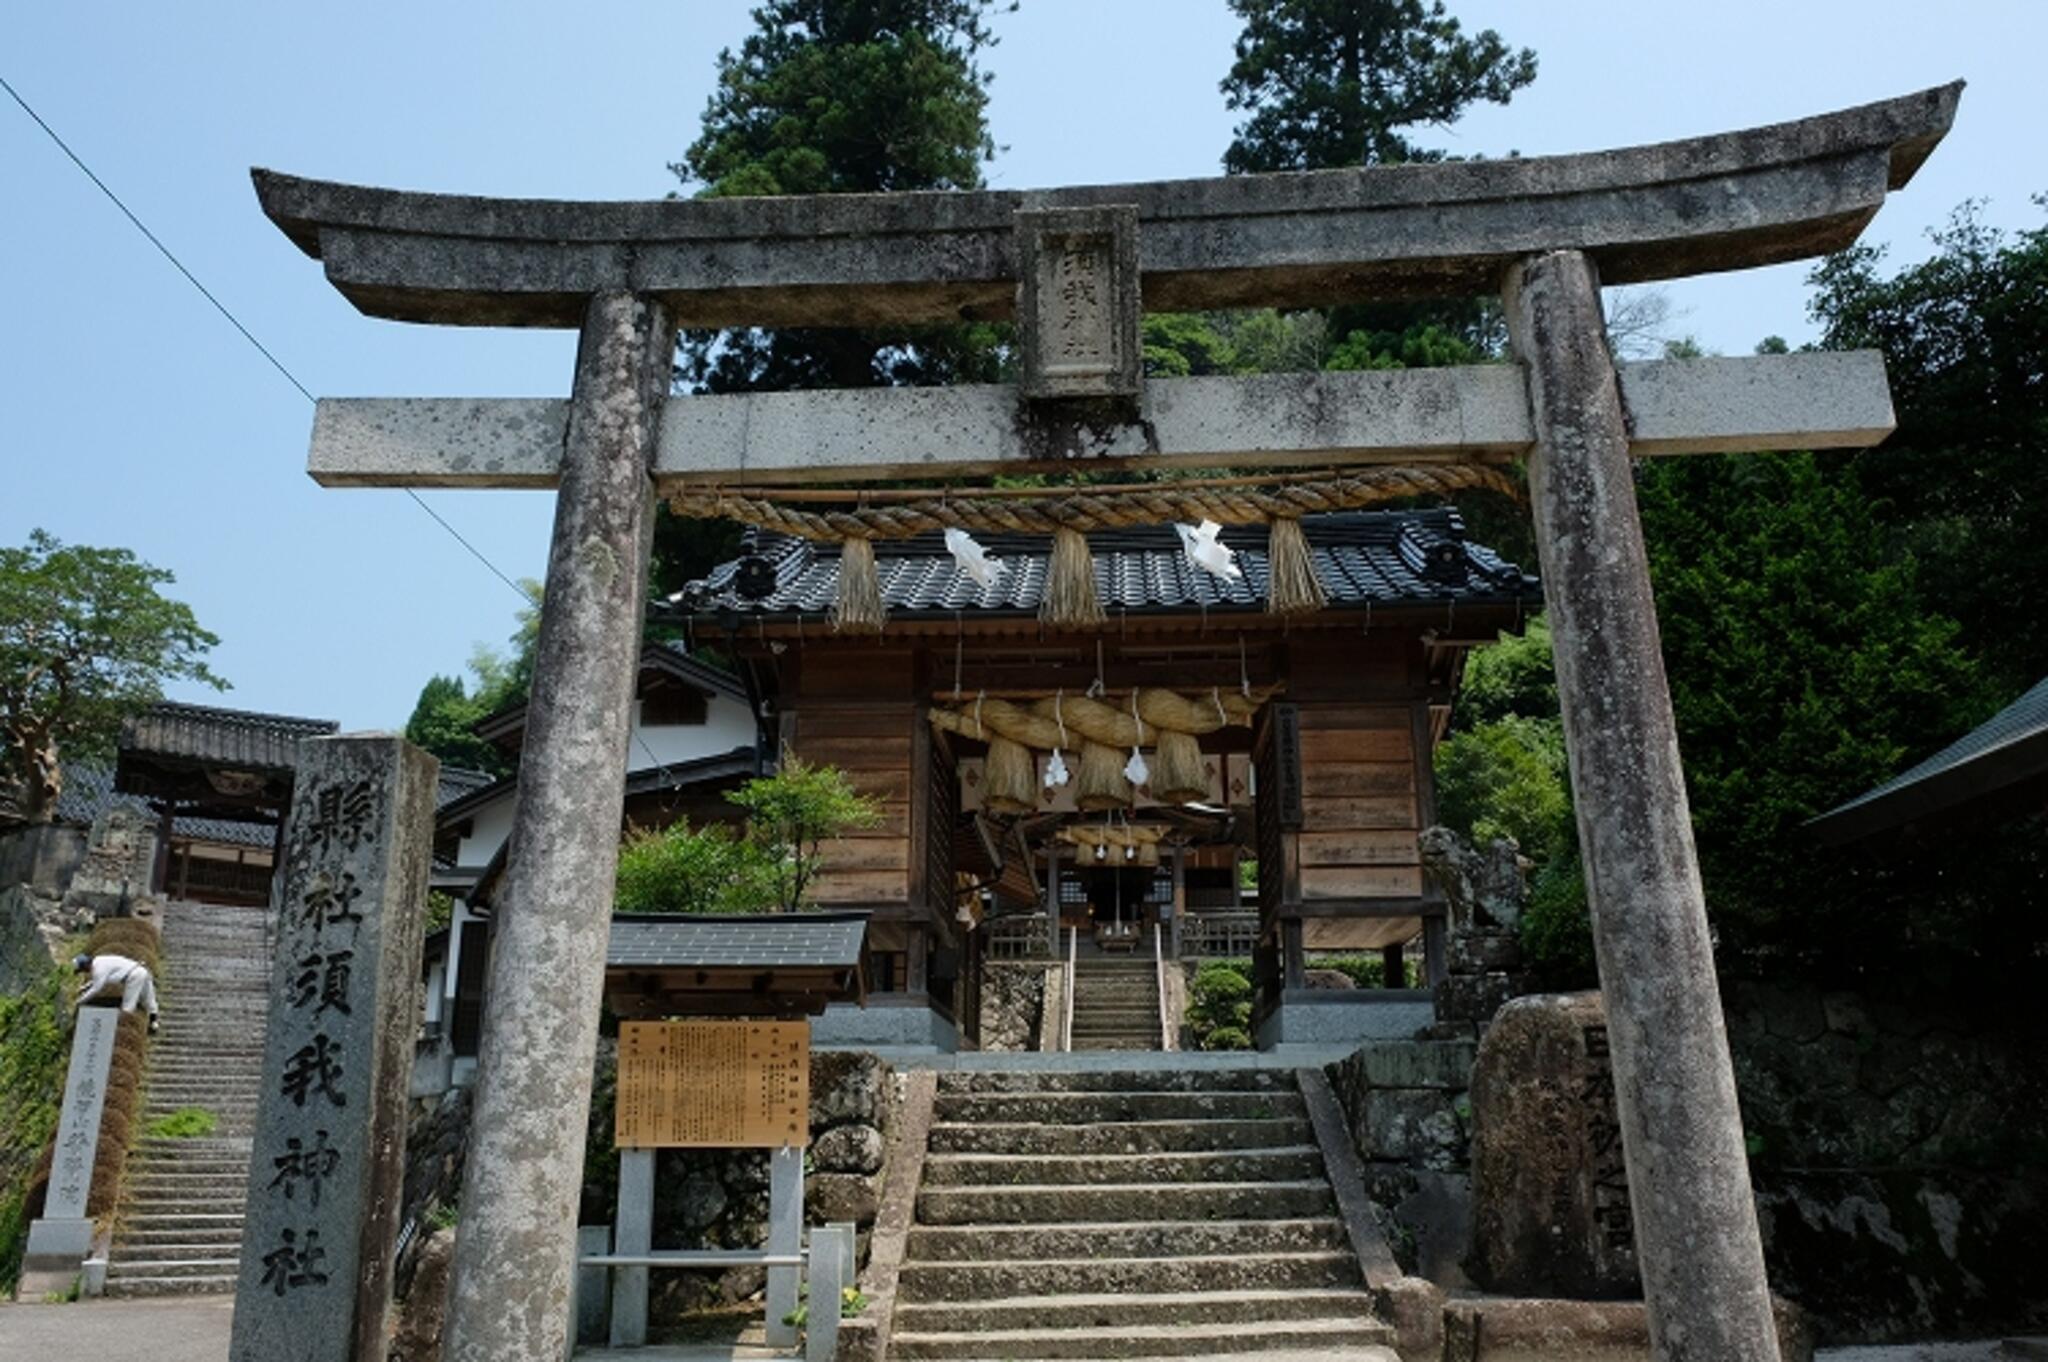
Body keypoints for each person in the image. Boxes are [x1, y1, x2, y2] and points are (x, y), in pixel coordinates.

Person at [74, 952, 160, 1035]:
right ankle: (154, 1023)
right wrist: (84, 987)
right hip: (141, 970)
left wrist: (79, 1001)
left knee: (128, 1007)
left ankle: (124, 1031)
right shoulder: (99, 960)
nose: (84, 972)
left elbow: (96, 988)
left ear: (85, 966)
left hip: (134, 976)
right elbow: (98, 980)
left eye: (82, 970)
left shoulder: (98, 969)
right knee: (149, 999)